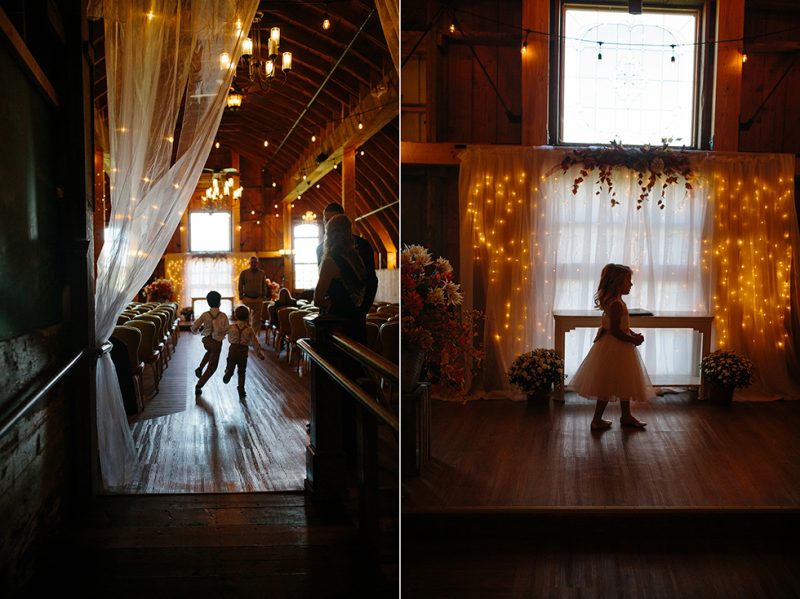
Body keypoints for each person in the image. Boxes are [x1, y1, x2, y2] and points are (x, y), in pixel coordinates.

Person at [569, 263, 655, 431]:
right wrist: (633, 340)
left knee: (623, 381)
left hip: (616, 345)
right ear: (617, 283)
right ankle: (597, 419)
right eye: (628, 281)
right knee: (609, 384)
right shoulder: (615, 304)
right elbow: (615, 330)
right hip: (616, 347)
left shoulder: (614, 301)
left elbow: (620, 326)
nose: (631, 284)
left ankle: (626, 415)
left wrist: (632, 333)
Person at [314, 214, 368, 343]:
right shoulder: (357, 259)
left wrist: (332, 303)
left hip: (338, 326)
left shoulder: (330, 261)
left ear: (330, 235)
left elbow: (317, 299)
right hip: (358, 322)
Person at [316, 202, 378, 315]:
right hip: (333, 312)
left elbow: (371, 280)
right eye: (327, 220)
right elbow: (323, 280)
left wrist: (363, 309)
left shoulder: (362, 246)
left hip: (354, 311)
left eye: (333, 220)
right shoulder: (320, 249)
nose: (329, 225)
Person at [190, 291, 230, 396]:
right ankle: (199, 385)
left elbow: (194, 326)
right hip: (217, 343)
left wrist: (197, 332)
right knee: (213, 367)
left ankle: (200, 368)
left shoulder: (205, 314)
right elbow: (227, 329)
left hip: (206, 341)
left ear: (208, 303)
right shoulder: (223, 316)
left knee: (210, 352)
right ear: (220, 303)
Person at [222, 305, 265, 400]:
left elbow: (221, 333)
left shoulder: (231, 327)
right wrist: (260, 355)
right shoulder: (249, 329)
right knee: (242, 371)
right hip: (243, 352)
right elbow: (255, 343)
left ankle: (228, 372)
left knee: (230, 363)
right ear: (248, 316)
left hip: (233, 350)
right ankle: (241, 390)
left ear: (235, 316)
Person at [238, 255, 267, 333]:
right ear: (249, 263)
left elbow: (264, 285)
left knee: (256, 320)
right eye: (252, 262)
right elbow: (240, 285)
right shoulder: (244, 273)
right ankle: (246, 334)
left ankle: (253, 336)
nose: (253, 264)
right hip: (247, 298)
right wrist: (241, 295)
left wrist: (264, 295)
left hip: (258, 299)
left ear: (257, 263)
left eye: (255, 262)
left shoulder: (262, 273)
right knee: (246, 318)